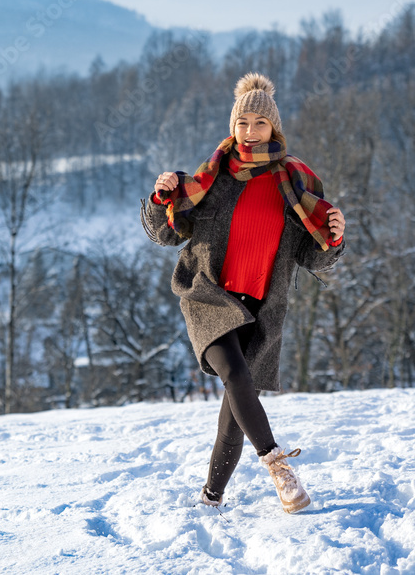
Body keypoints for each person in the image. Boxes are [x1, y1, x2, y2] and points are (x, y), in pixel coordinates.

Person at [139, 73, 346, 513]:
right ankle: (278, 466)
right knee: (236, 375)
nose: (250, 131)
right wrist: (161, 199)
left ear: (275, 129)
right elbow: (167, 233)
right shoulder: (212, 179)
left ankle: (211, 497)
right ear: (232, 127)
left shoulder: (295, 184)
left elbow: (314, 256)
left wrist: (334, 238)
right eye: (243, 123)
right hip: (208, 297)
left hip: (260, 308)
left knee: (237, 406)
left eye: (260, 123)